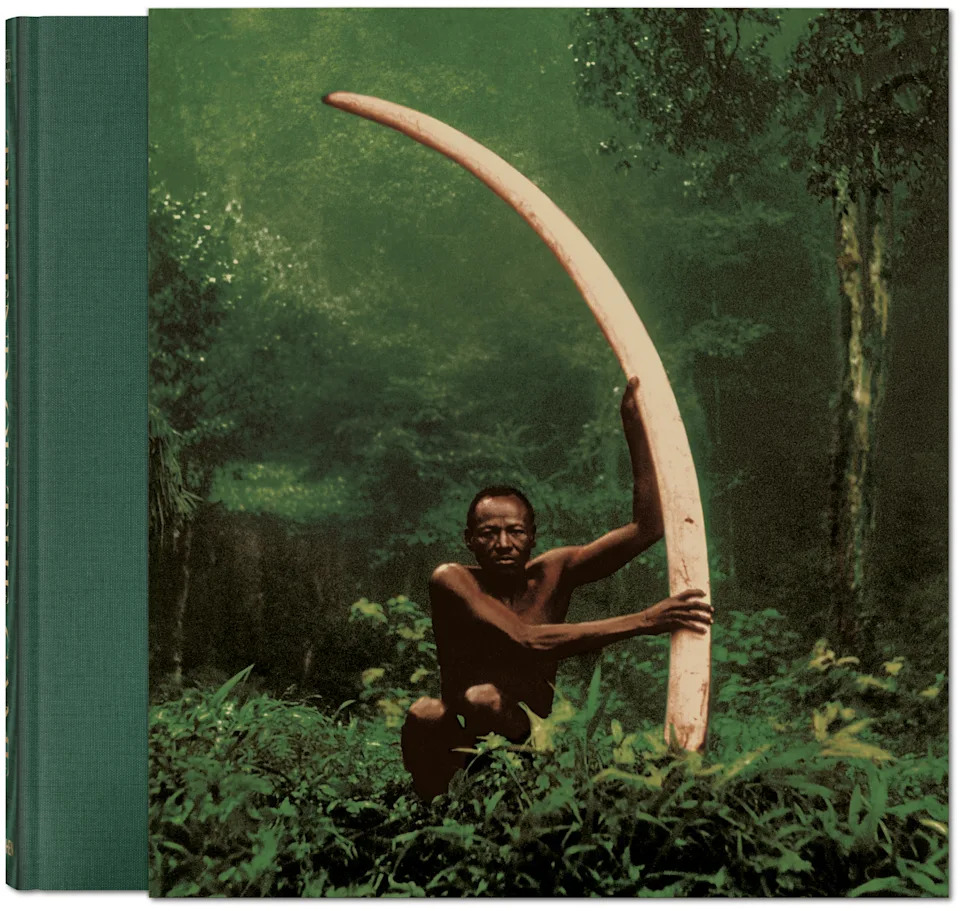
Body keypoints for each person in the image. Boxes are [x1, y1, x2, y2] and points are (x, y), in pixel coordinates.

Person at [401, 376, 713, 799]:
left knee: (486, 700)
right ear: (469, 540)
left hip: (526, 737)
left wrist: (635, 429)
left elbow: (647, 527)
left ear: (532, 537)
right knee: (427, 712)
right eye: (489, 533)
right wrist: (644, 621)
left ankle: (515, 794)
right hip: (463, 736)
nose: (504, 543)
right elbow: (525, 640)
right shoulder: (452, 580)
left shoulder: (554, 571)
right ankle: (435, 809)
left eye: (515, 531)